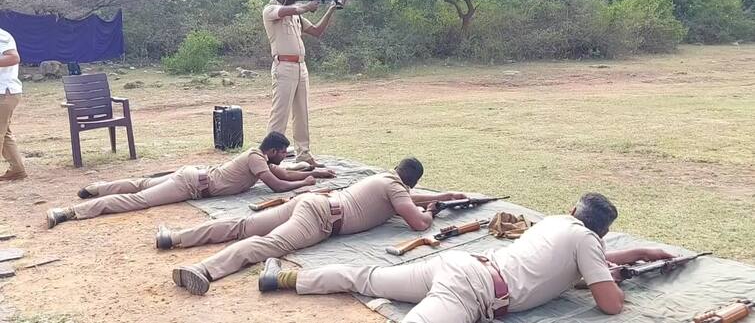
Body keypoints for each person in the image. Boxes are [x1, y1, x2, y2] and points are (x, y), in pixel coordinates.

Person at [258, 193, 676, 323]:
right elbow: (608, 303)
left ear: (573, 213)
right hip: (473, 293)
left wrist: (638, 253)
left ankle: (284, 279)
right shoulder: (587, 243)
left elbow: (592, 262)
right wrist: (616, 281)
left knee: (364, 276)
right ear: (600, 231)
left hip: (462, 267)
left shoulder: (556, 225)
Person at [170, 157, 467, 295]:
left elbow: (406, 196)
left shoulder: (385, 179)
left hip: (313, 202)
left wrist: (443, 195)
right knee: (269, 244)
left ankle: (175, 237)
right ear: (409, 180)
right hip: (322, 219)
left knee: (244, 225)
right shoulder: (396, 188)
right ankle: (204, 269)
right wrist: (432, 212)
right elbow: (417, 223)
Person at [45, 132, 335, 228]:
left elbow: (283, 173)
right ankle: (70, 212)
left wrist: (313, 173)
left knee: (143, 184)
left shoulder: (261, 157)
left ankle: (95, 188)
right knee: (140, 199)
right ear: (272, 150)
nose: (284, 157)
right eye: (282, 153)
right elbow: (278, 184)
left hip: (194, 177)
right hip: (193, 184)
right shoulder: (256, 158)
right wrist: (305, 185)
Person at [262, 0, 337, 168]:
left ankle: (303, 153)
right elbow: (291, 9)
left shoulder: (296, 16)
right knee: (280, 114)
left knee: (301, 112)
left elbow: (317, 31)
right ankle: (268, 157)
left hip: (300, 67)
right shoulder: (270, 10)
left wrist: (331, 8)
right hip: (283, 66)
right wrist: (308, 5)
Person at [0, 28, 26, 181]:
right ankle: (17, 169)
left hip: (4, 92)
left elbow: (14, 58)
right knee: (4, 131)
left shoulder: (1, 36)